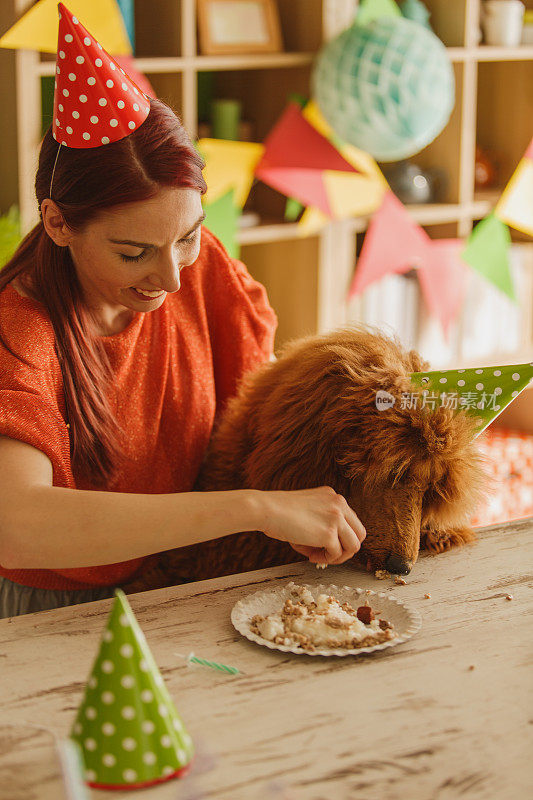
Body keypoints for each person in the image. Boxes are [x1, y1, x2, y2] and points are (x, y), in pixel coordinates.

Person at [0, 7, 365, 618]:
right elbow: (16, 522)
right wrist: (254, 508)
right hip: (49, 609)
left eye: (189, 237)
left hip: (176, 577)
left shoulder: (193, 262)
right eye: (133, 252)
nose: (171, 278)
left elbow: (259, 401)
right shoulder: (22, 331)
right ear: (58, 223)